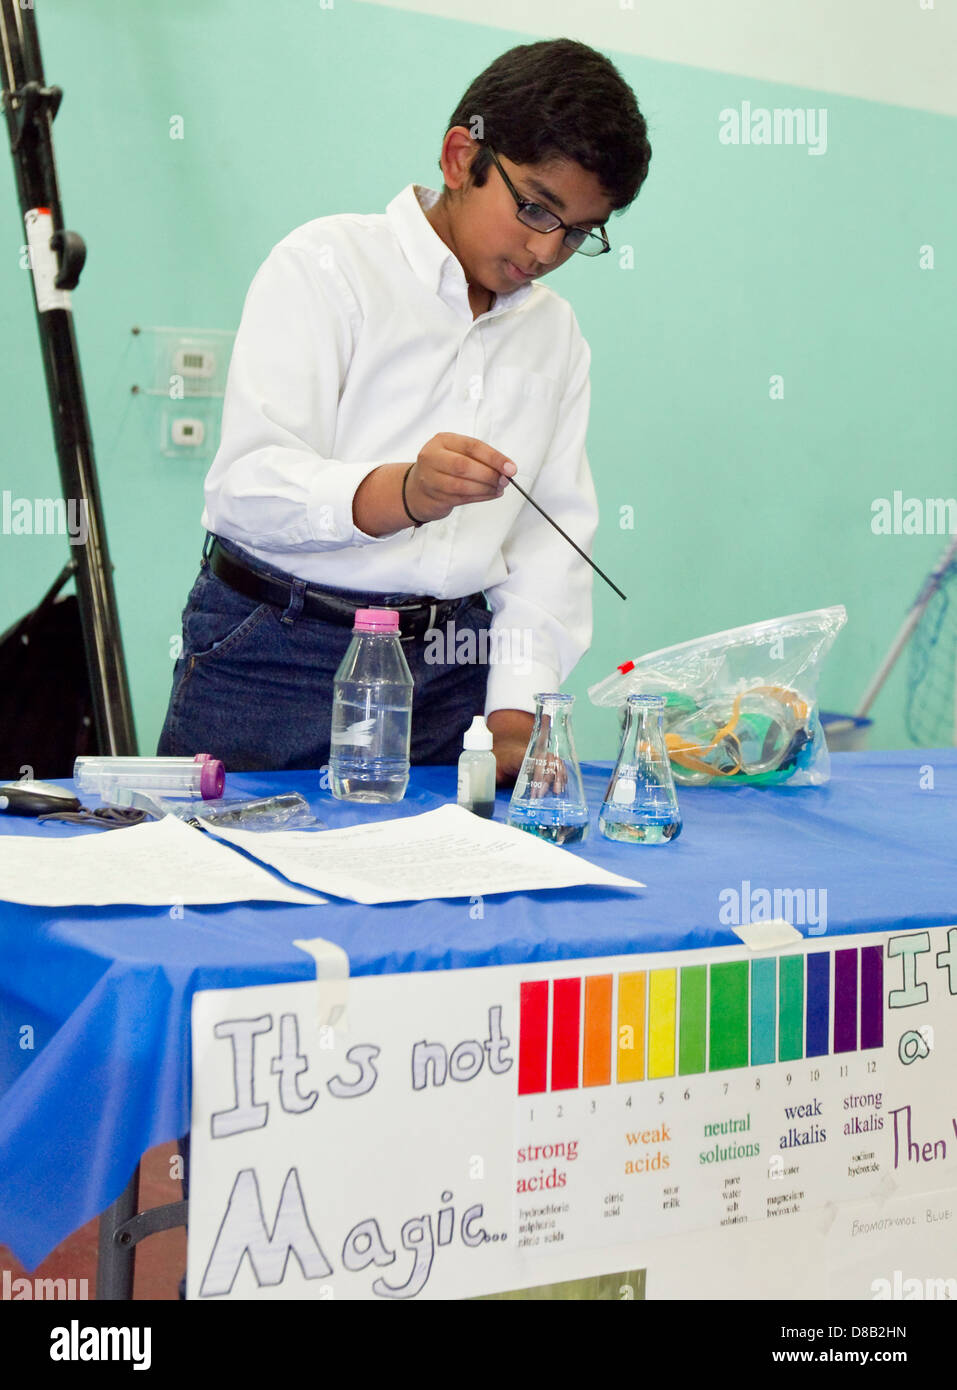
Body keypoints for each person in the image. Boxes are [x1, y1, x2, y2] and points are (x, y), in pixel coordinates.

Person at [157, 37, 652, 783]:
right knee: (223, 879)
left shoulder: (553, 336)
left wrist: (515, 711)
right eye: (536, 209)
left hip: (452, 669)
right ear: (460, 158)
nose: (548, 250)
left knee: (440, 886)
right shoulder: (326, 267)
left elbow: (549, 546)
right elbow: (246, 488)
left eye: (580, 231)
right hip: (276, 655)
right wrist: (402, 493)